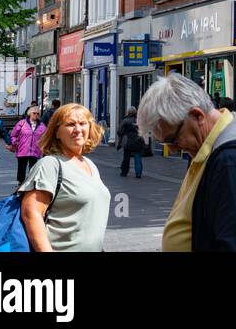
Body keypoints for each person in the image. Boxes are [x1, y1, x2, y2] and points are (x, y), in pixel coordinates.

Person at [137, 73, 236, 252]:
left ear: (197, 115)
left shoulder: (232, 161)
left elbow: (235, 244)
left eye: (173, 139)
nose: (174, 149)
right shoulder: (213, 148)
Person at [19, 104, 111, 252]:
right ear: (56, 132)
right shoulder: (50, 165)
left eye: (82, 124)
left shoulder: (89, 165)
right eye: (70, 124)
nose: (78, 129)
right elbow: (31, 213)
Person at [8, 105, 47, 186]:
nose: (36, 115)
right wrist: (14, 142)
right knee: (22, 167)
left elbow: (46, 137)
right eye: (34, 113)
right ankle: (21, 182)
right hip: (23, 149)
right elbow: (13, 135)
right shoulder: (22, 123)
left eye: (38, 114)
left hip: (35, 150)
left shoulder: (42, 125)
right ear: (30, 113)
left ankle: (31, 182)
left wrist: (44, 146)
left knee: (33, 168)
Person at [116, 106, 144, 179]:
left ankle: (124, 172)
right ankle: (138, 173)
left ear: (128, 112)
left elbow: (119, 131)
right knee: (138, 157)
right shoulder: (139, 120)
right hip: (138, 141)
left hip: (128, 142)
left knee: (126, 157)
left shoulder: (125, 120)